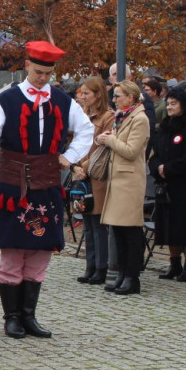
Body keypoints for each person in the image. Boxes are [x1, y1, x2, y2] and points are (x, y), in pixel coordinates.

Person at [0, 41, 94, 336]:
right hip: (14, 184)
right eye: (38, 71)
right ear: (28, 66)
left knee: (41, 250)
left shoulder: (64, 101)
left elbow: (87, 130)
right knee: (13, 252)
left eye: (48, 73)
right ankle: (11, 317)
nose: (43, 78)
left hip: (47, 183)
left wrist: (68, 157)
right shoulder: (6, 100)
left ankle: (29, 316)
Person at [97, 79, 151, 295]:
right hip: (118, 179)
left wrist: (109, 140)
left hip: (129, 181)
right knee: (118, 230)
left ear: (130, 97)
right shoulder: (123, 117)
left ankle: (132, 277)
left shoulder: (140, 119)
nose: (114, 99)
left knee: (130, 231)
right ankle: (121, 273)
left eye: (118, 95)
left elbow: (131, 151)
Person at [149, 87, 186, 283]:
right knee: (169, 225)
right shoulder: (164, 126)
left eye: (174, 103)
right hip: (167, 186)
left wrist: (170, 168)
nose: (170, 106)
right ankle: (174, 264)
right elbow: (154, 154)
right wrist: (158, 168)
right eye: (168, 103)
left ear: (184, 105)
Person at [72, 76, 114, 285]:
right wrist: (74, 165)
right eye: (82, 93)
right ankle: (90, 265)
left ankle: (101, 267)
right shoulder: (83, 116)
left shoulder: (108, 117)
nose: (83, 97)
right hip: (81, 173)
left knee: (97, 224)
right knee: (87, 223)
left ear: (98, 95)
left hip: (97, 175)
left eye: (87, 93)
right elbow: (75, 142)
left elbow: (102, 148)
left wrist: (84, 166)